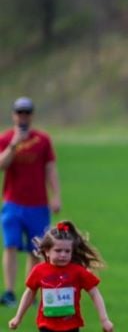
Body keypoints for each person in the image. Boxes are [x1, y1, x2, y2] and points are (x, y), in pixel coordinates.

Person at [0, 97, 61, 307]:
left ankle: (32, 291)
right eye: (19, 112)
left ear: (31, 115)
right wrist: (14, 144)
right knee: (10, 245)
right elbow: (2, 164)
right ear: (14, 115)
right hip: (12, 203)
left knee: (35, 250)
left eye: (26, 113)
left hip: (38, 204)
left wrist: (56, 195)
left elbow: (50, 168)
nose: (23, 116)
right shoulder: (6, 138)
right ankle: (9, 291)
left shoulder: (42, 140)